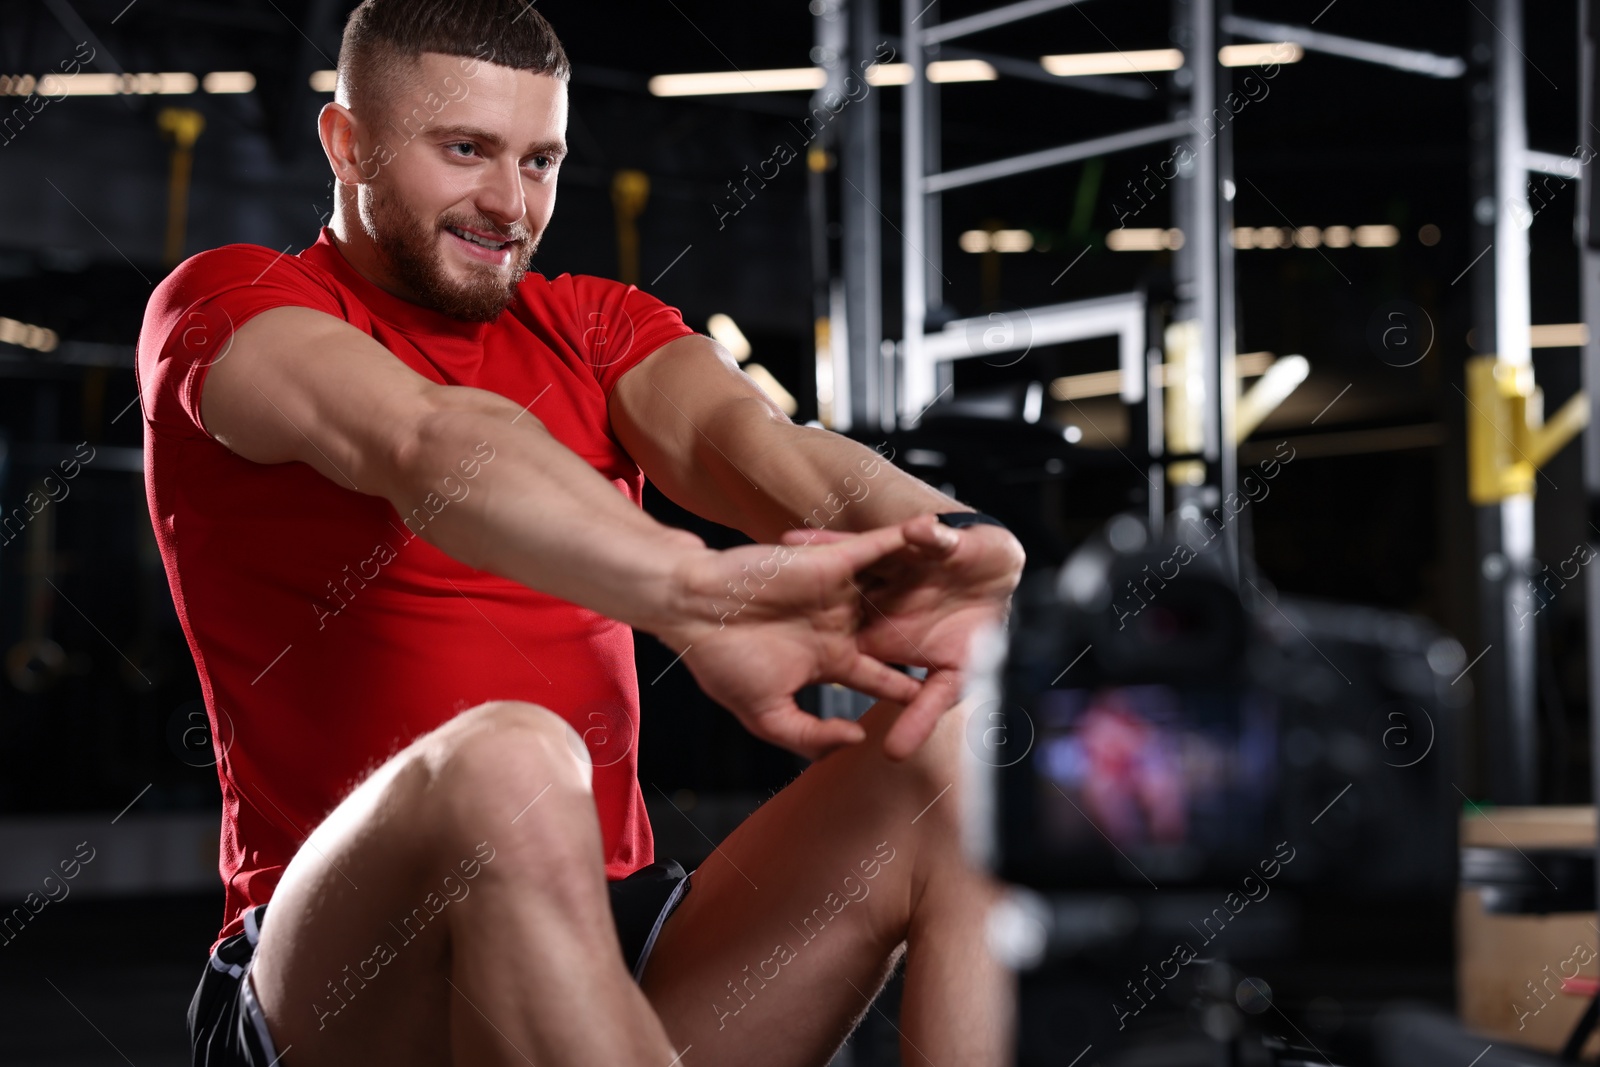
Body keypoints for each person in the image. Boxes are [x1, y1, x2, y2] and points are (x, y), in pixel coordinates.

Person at [136, 1, 1026, 1063]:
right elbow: (427, 441)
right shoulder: (234, 305)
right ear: (350, 142)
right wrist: (694, 595)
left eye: (541, 159)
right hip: (349, 984)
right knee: (511, 758)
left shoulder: (591, 324)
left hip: (614, 946)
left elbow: (750, 444)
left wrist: (947, 542)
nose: (509, 204)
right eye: (465, 150)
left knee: (953, 757)